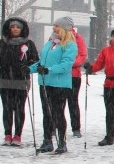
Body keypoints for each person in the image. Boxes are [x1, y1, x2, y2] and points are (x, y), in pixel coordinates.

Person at [30, 16, 78, 155]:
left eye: (57, 26)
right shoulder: (50, 42)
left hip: (60, 84)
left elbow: (66, 64)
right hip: (45, 82)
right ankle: (47, 141)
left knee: (58, 113)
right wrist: (30, 69)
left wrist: (49, 70)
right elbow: (42, 61)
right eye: (54, 25)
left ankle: (62, 142)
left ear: (64, 28)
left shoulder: (69, 45)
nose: (54, 28)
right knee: (47, 113)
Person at [0, 17, 39, 146]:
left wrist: (28, 66)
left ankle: (17, 134)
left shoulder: (29, 44)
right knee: (7, 108)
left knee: (19, 108)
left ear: (22, 29)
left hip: (21, 80)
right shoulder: (2, 43)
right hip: (5, 79)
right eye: (12, 27)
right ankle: (7, 133)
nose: (15, 29)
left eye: (18, 27)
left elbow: (34, 59)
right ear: (9, 28)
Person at [84, 27, 114, 146]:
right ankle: (109, 135)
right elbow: (99, 64)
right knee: (109, 111)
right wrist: (90, 67)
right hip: (109, 83)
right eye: (113, 36)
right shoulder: (106, 50)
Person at [65, 25, 87, 138]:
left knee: (73, 102)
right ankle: (55, 125)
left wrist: (69, 64)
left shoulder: (78, 38)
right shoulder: (56, 38)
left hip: (73, 75)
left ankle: (76, 127)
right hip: (59, 76)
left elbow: (82, 55)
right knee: (57, 103)